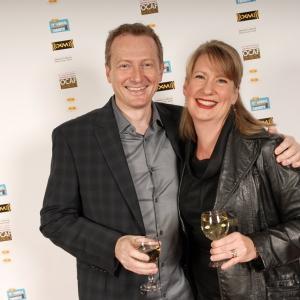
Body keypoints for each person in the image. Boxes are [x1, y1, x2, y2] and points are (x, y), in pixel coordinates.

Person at [40, 23, 300, 300]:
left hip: (186, 292)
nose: (137, 76)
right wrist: (113, 246)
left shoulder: (184, 125)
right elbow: (55, 218)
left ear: (162, 70)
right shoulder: (74, 137)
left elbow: (234, 135)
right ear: (108, 72)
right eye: (125, 65)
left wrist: (276, 141)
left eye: (147, 65)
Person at [178, 40, 300, 300]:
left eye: (221, 80)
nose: (208, 89)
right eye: (200, 77)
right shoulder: (177, 149)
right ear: (186, 86)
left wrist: (255, 246)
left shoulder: (268, 148)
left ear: (234, 94)